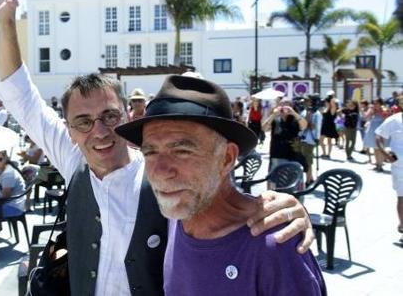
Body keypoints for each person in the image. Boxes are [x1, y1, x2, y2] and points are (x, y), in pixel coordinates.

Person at [0, 0, 313, 295]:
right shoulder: (74, 163)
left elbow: (212, 191)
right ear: (69, 130)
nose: (98, 132)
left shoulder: (159, 177)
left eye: (109, 117)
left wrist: (275, 207)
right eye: (83, 122)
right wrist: (6, 24)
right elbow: (20, 97)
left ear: (128, 116)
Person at [114, 75, 326, 295]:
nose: (159, 171)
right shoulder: (176, 216)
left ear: (226, 158)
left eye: (182, 151)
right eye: (150, 151)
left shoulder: (275, 245)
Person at [375, 95, 403, 244]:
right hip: (400, 165)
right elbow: (378, 136)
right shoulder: (394, 119)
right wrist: (385, 153)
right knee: (402, 197)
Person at [262, 99, 307, 171]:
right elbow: (264, 128)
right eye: (281, 105)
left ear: (291, 106)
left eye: (286, 104)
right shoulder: (275, 119)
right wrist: (273, 115)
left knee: (292, 179)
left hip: (293, 154)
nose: (283, 107)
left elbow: (304, 126)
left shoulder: (296, 118)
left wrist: (294, 113)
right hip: (277, 154)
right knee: (276, 178)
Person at [299, 96, 322, 186]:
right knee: (304, 159)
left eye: (308, 101)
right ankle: (310, 177)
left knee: (308, 161)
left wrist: (317, 138)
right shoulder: (304, 111)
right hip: (303, 138)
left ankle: (308, 180)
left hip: (310, 139)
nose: (305, 102)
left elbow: (318, 127)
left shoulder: (316, 114)